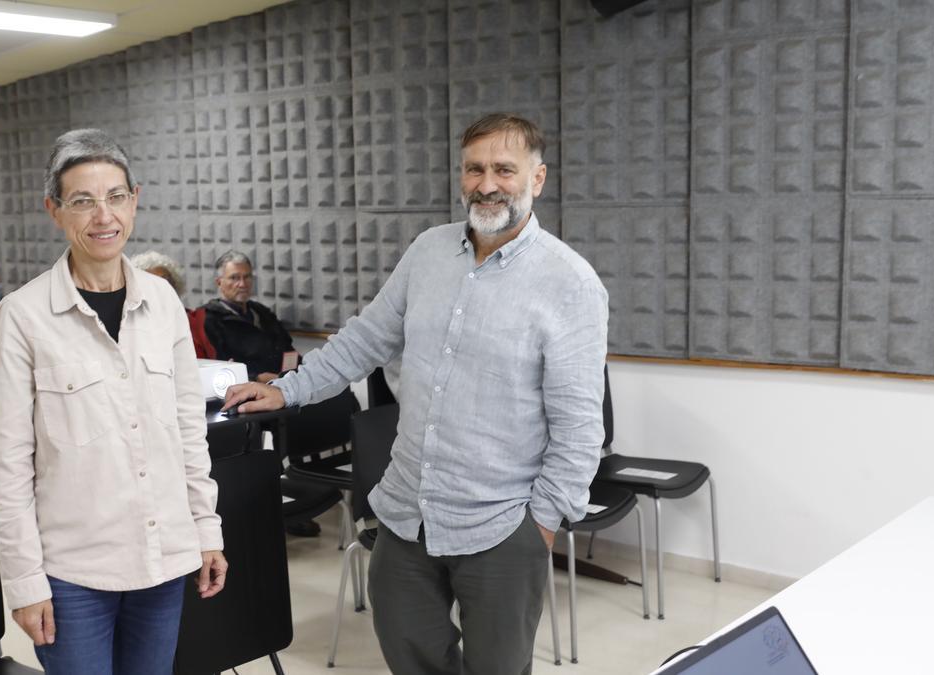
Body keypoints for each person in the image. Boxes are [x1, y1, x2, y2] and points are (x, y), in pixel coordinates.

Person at [224, 113, 609, 675]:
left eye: (505, 169)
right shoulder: (429, 251)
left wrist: (542, 524)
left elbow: (579, 427)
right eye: (474, 168)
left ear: (538, 178)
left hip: (502, 523)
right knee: (410, 652)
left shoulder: (571, 284)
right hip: (408, 511)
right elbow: (365, 338)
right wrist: (289, 391)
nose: (487, 183)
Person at [0, 128, 227, 674]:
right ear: (55, 210)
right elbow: (6, 464)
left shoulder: (163, 301)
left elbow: (190, 432)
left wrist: (204, 531)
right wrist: (24, 581)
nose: (103, 216)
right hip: (73, 575)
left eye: (116, 197)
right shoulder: (24, 315)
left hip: (163, 559)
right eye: (83, 201)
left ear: (134, 200)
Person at [201, 251, 298, 383]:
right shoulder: (208, 319)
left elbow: (288, 349)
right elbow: (214, 368)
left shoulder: (262, 312)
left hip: (283, 386)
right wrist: (255, 377)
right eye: (234, 278)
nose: (242, 284)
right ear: (219, 282)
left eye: (247, 277)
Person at [129, 250, 216, 359]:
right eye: (153, 282)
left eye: (166, 281)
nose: (162, 288)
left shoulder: (194, 320)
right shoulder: (128, 323)